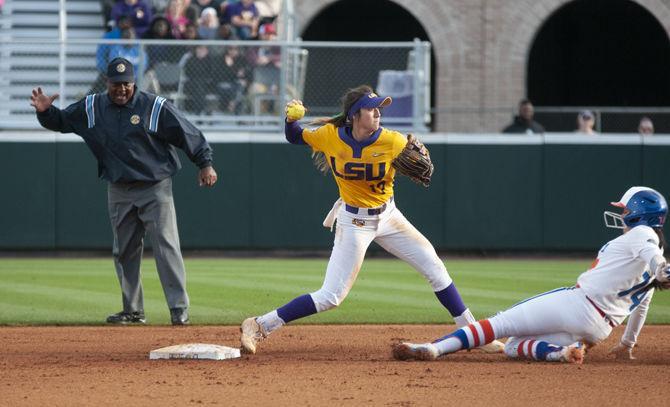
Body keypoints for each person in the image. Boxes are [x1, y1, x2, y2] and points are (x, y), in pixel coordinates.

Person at [239, 85, 505, 355]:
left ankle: (475, 335)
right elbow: (294, 136)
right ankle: (259, 325)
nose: (378, 113)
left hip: (389, 216)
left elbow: (422, 165)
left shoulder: (393, 141)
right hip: (353, 223)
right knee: (331, 296)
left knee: (436, 269)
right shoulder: (330, 136)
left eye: (380, 108)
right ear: (355, 115)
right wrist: (290, 119)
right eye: (371, 108)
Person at [30, 57, 218, 326]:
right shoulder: (93, 106)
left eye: (126, 84)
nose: (121, 89)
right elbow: (62, 121)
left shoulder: (154, 107)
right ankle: (132, 310)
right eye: (116, 84)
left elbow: (189, 134)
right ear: (107, 82)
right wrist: (46, 112)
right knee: (125, 251)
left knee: (166, 248)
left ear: (134, 83)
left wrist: (205, 163)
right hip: (119, 188)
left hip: (155, 187)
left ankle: (178, 308)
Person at [393, 186, 669, 364]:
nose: (621, 214)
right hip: (600, 330)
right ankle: (559, 353)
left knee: (498, 325)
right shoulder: (648, 251)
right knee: (513, 347)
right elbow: (642, 305)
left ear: (638, 214)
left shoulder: (642, 235)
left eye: (625, 210)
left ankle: (434, 349)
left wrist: (660, 265)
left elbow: (652, 256)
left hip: (579, 305)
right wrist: (626, 344)